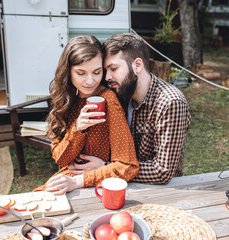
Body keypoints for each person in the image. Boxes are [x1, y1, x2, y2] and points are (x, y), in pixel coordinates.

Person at [68, 33, 191, 184]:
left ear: (137, 65)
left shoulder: (170, 102)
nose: (107, 77)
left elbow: (162, 172)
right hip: (115, 184)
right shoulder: (120, 93)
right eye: (105, 70)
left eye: (113, 68)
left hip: (160, 191)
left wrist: (104, 168)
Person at [33, 35, 139, 195]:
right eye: (81, 73)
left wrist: (80, 180)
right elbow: (61, 159)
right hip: (67, 181)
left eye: (97, 72)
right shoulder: (68, 98)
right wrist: (78, 129)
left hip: (94, 187)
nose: (90, 81)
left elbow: (128, 166)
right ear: (68, 71)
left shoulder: (108, 100)